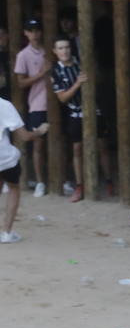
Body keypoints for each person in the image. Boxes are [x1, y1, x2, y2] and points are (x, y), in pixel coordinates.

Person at [0, 91, 50, 244]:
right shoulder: (4, 105)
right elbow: (25, 136)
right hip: (5, 158)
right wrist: (40, 131)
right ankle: (7, 233)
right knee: (14, 188)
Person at [49, 37, 91, 203]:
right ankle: (80, 186)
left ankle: (109, 181)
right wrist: (78, 84)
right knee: (77, 149)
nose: (64, 51)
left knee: (102, 146)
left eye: (66, 47)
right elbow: (62, 98)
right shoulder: (56, 71)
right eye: (60, 48)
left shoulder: (81, 63)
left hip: (94, 111)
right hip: (75, 113)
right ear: (55, 51)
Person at [12, 18, 51, 198]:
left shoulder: (48, 50)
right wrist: (42, 73)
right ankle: (40, 182)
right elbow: (20, 83)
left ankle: (60, 180)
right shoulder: (23, 55)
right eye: (31, 30)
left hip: (54, 102)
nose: (35, 33)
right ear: (26, 33)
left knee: (60, 141)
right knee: (38, 144)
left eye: (37, 29)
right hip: (37, 104)